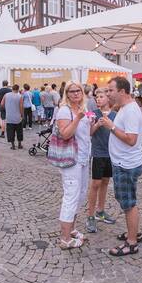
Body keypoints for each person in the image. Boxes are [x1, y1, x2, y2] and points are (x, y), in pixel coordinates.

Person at [98, 76, 142, 256]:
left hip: (126, 164)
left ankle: (131, 243)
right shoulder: (125, 107)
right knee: (127, 200)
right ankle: (134, 232)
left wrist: (111, 126)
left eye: (111, 90)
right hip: (123, 162)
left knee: (128, 203)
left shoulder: (131, 110)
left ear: (122, 91)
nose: (108, 93)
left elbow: (131, 140)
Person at [54, 81, 92, 250]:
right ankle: (65, 239)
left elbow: (85, 134)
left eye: (79, 91)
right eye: (72, 91)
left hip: (83, 158)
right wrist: (78, 118)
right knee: (71, 196)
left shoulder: (81, 109)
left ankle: (72, 228)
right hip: (71, 160)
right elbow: (65, 133)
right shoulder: (65, 110)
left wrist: (95, 125)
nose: (76, 93)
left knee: (81, 195)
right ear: (67, 94)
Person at [86, 87, 117, 233]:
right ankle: (90, 216)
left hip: (110, 154)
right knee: (95, 183)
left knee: (105, 182)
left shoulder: (115, 115)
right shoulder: (93, 114)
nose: (98, 99)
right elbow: (89, 133)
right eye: (96, 97)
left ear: (108, 99)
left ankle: (101, 211)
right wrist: (97, 124)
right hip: (98, 153)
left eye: (101, 97)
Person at [1, 84, 24, 150]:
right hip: (17, 117)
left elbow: (2, 104)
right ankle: (19, 144)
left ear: (12, 89)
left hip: (9, 116)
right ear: (18, 89)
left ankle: (13, 145)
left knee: (10, 131)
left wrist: (7, 108)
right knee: (19, 131)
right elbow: (21, 107)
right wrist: (22, 114)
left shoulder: (6, 95)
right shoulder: (20, 96)